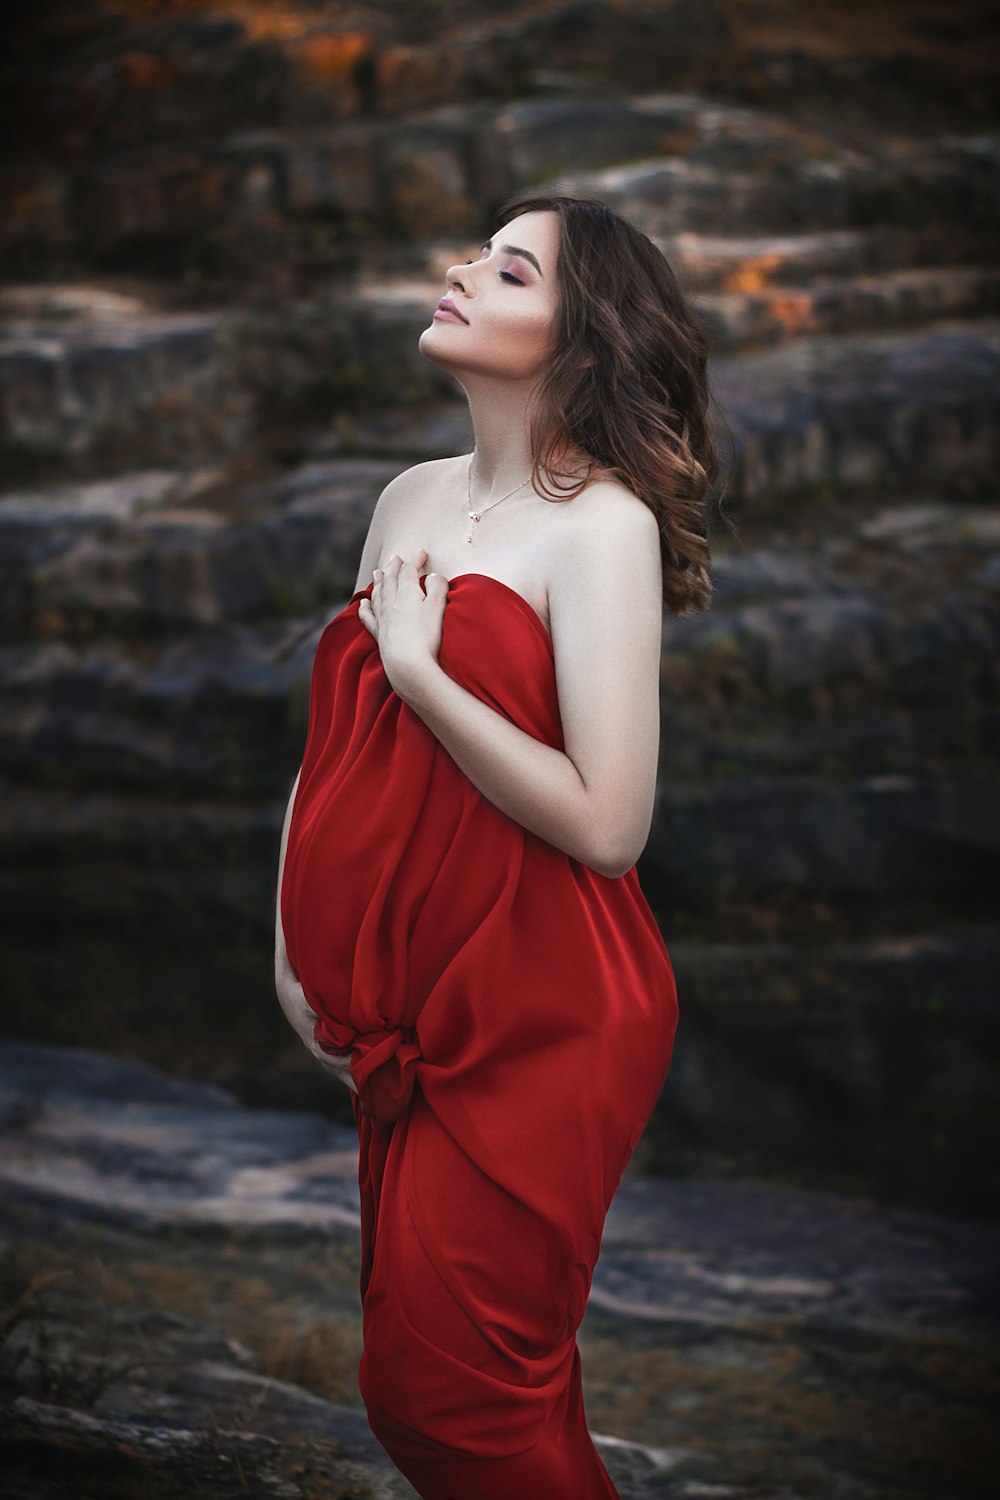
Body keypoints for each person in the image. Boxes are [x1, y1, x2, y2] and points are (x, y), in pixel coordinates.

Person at [274, 193, 718, 1499]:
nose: (463, 267)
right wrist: (291, 961)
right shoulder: (405, 497)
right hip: (404, 1017)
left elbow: (608, 821)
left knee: (445, 1398)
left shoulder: (604, 528)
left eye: (510, 266)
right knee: (460, 1389)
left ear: (580, 338)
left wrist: (423, 670)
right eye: (478, 249)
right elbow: (332, 748)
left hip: (546, 1009)